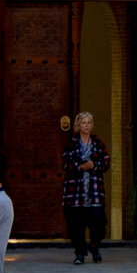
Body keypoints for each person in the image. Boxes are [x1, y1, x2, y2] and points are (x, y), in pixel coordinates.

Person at [60, 111, 109, 264]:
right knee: (77, 224)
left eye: (89, 123)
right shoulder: (71, 144)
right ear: (78, 125)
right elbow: (66, 163)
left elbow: (106, 162)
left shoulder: (99, 144)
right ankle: (80, 252)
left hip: (94, 191)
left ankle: (95, 247)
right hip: (75, 193)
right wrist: (79, 166)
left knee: (98, 221)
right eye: (83, 123)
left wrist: (95, 165)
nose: (86, 125)